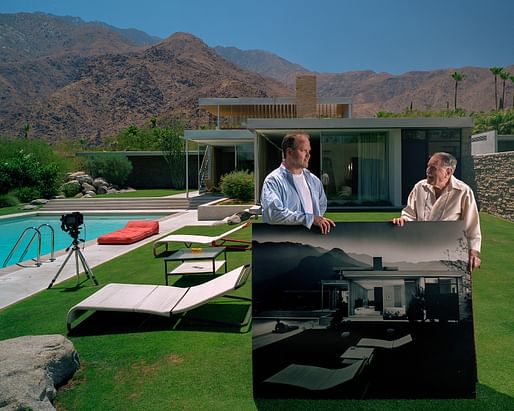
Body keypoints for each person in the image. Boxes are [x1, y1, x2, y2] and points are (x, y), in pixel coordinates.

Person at [392, 152, 482, 272]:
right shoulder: (419, 187)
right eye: (428, 166)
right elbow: (409, 214)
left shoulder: (463, 192)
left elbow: (472, 227)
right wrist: (403, 220)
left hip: (448, 255)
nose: (427, 171)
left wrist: (474, 254)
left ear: (448, 172)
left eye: (433, 168)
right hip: (418, 251)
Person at [260, 132, 335, 234]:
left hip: (311, 242)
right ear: (289, 152)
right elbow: (273, 214)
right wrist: (309, 219)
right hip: (283, 243)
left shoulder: (314, 180)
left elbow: (322, 205)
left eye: (309, 151)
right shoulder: (273, 181)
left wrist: (314, 220)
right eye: (303, 150)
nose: (308, 155)